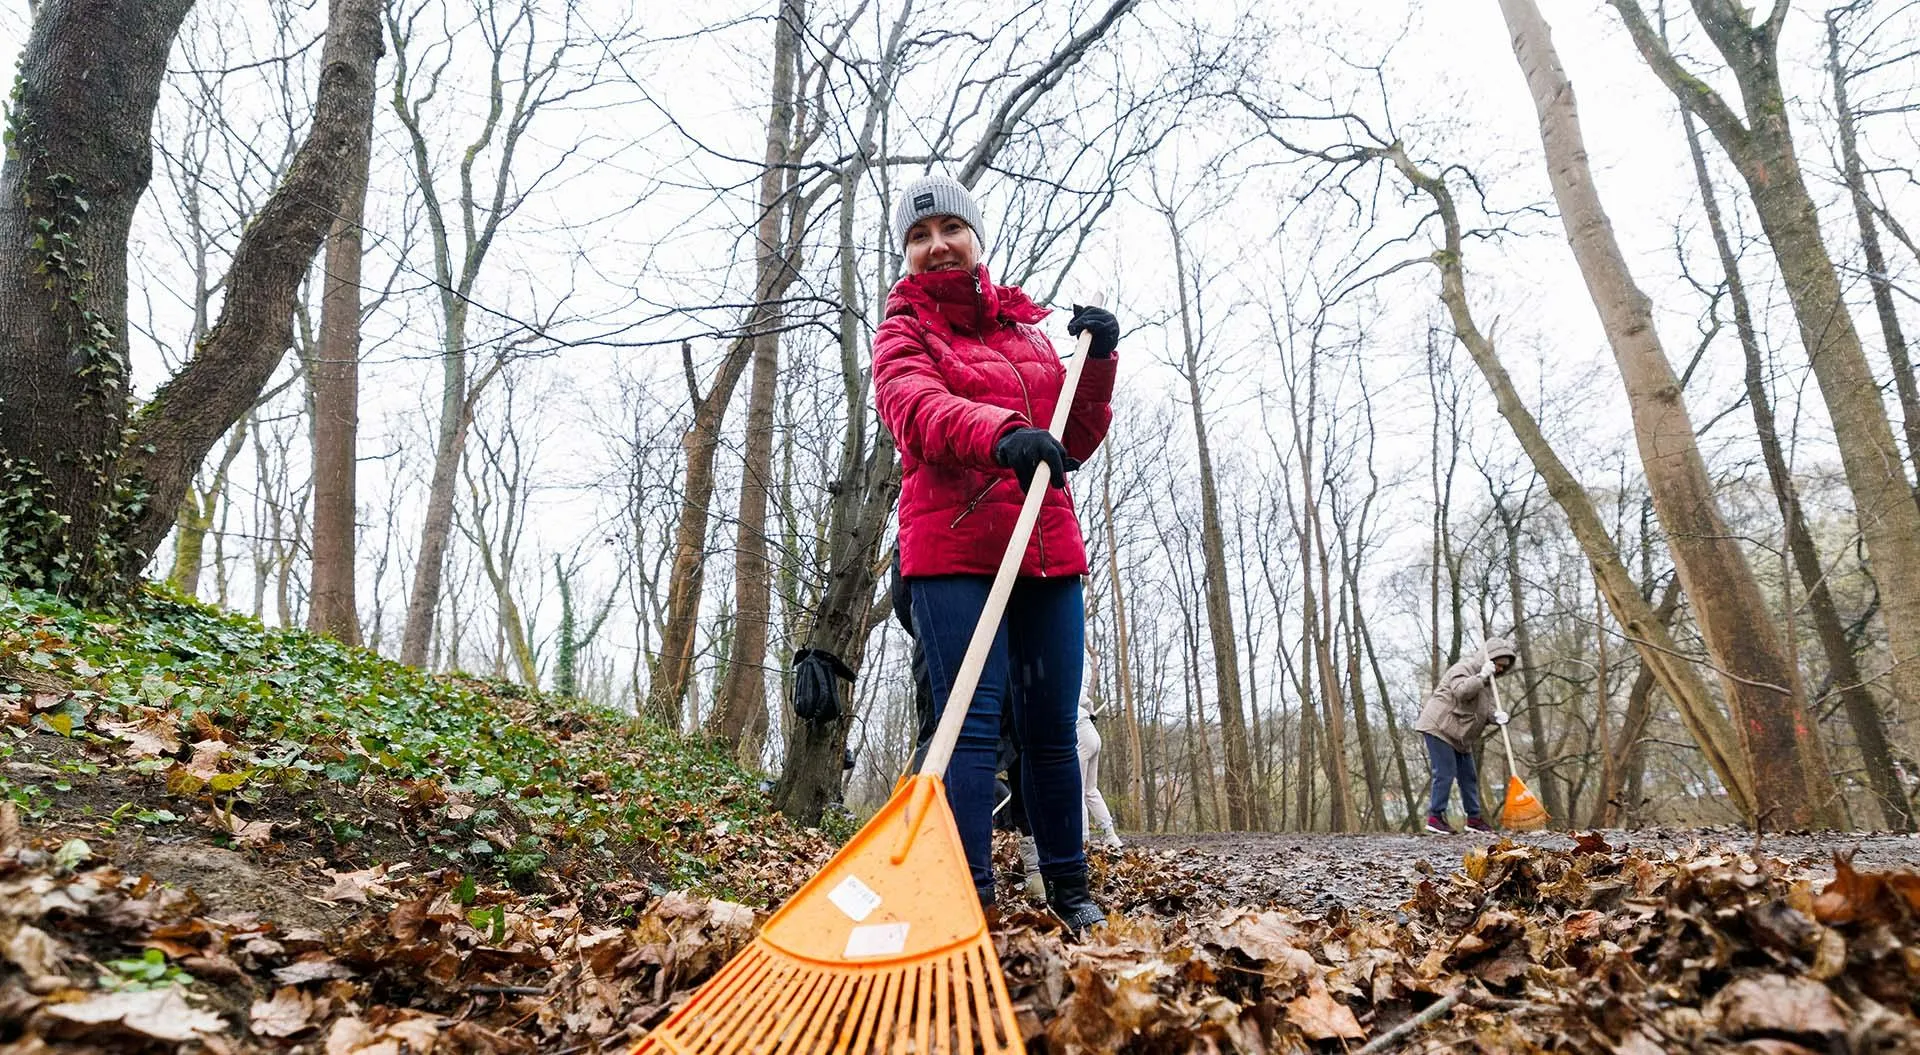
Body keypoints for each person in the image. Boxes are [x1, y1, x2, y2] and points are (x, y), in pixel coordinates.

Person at [873, 173, 1121, 936]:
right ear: (907, 254)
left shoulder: (1025, 331)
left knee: (1052, 730)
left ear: (976, 238)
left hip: (1046, 549)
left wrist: (1098, 363)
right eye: (919, 236)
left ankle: (1070, 889)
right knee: (971, 724)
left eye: (951, 228)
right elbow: (915, 411)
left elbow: (1070, 440)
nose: (937, 245)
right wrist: (1001, 432)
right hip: (952, 549)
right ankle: (967, 897)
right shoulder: (902, 330)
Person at [1414, 638, 1517, 834]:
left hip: (1460, 736)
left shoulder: (1488, 684)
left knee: (1469, 776)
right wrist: (1481, 676)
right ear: (1488, 660)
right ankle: (1435, 817)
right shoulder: (1463, 669)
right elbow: (1462, 692)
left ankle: (1474, 819)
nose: (1500, 669)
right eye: (1498, 664)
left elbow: (1482, 709)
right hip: (1439, 727)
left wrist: (1495, 716)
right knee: (1445, 772)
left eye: (1504, 667)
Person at [1077, 691, 1123, 850]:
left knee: (1077, 793)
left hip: (1080, 736)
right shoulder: (1068, 688)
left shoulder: (1052, 692)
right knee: (1090, 790)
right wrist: (1090, 714)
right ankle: (1111, 835)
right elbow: (1087, 702)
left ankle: (1083, 841)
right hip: (1092, 734)